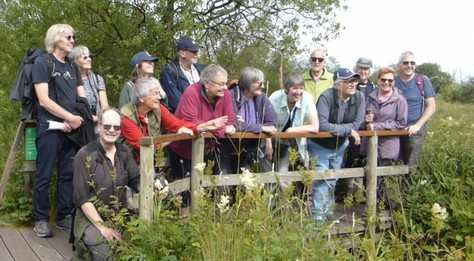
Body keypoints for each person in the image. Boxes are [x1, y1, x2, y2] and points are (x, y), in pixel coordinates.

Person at [31, 24, 86, 238]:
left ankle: (64, 215)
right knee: (44, 174)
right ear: (55, 39)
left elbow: (81, 96)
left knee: (67, 174)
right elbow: (44, 100)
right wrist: (69, 117)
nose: (73, 40)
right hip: (50, 128)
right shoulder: (42, 62)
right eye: (69, 37)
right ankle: (41, 219)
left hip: (71, 130)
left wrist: (81, 116)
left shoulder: (72, 67)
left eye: (74, 37)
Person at [72, 108, 139, 260]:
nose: (111, 130)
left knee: (134, 248)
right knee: (107, 253)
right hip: (91, 218)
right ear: (99, 126)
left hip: (120, 215)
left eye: (116, 127)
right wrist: (103, 227)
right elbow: (83, 199)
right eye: (107, 126)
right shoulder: (84, 155)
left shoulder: (124, 152)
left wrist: (154, 187)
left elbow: (136, 179)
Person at [120, 77, 225, 162]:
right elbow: (144, 145)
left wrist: (203, 126)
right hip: (127, 164)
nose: (159, 97)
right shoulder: (127, 118)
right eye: (154, 94)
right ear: (141, 98)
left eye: (158, 93)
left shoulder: (158, 108)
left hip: (148, 161)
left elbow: (176, 124)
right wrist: (174, 137)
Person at [308, 68, 365, 221]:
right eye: (349, 81)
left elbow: (357, 123)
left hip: (340, 146)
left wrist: (346, 131)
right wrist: (348, 130)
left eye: (355, 81)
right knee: (322, 180)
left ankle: (327, 213)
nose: (353, 84)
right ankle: (317, 220)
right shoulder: (326, 97)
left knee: (333, 179)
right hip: (319, 146)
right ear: (338, 84)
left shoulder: (359, 97)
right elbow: (323, 125)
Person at [168, 64, 236, 180]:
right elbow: (191, 123)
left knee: (213, 186)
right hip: (184, 150)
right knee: (187, 192)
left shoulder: (225, 94)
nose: (225, 87)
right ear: (207, 84)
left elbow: (230, 120)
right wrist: (220, 128)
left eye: (225, 83)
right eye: (221, 84)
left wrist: (210, 127)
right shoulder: (191, 93)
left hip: (209, 149)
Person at [229, 67, 278, 172]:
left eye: (263, 83)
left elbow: (272, 123)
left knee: (266, 180)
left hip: (256, 147)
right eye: (259, 84)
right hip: (231, 148)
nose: (263, 87)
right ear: (248, 83)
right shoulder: (232, 96)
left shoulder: (262, 98)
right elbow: (235, 124)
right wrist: (261, 127)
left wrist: (247, 125)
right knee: (227, 183)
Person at [269, 73, 319, 172]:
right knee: (282, 175)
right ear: (286, 89)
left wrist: (291, 130)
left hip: (298, 143)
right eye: (295, 88)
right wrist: (268, 144)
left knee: (304, 175)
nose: (299, 92)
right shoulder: (275, 98)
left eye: (301, 88)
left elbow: (315, 127)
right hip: (276, 142)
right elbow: (265, 122)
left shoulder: (307, 98)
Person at [395, 51, 436, 166]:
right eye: (405, 63)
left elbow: (431, 106)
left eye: (412, 63)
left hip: (415, 129)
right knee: (395, 161)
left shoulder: (422, 80)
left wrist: (418, 125)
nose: (409, 65)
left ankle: (410, 184)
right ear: (399, 65)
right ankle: (393, 183)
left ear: (415, 65)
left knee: (412, 164)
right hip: (395, 128)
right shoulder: (393, 82)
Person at [364, 67, 408, 165]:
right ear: (378, 80)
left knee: (386, 179)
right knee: (368, 178)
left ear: (394, 82)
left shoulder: (400, 100)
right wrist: (366, 120)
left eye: (390, 80)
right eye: (383, 79)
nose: (386, 82)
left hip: (388, 148)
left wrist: (376, 126)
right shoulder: (370, 98)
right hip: (369, 147)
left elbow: (401, 124)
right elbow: (364, 119)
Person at [160, 36, 206, 113]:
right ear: (182, 53)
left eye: (197, 51)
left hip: (205, 114)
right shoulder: (169, 72)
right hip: (184, 118)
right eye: (194, 52)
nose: (197, 55)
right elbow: (177, 102)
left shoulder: (202, 69)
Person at [68, 45, 109, 120]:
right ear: (75, 61)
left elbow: (105, 106)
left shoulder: (97, 79)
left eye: (89, 56)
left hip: (98, 121)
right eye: (85, 57)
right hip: (78, 121)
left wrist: (99, 118)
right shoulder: (69, 79)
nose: (89, 59)